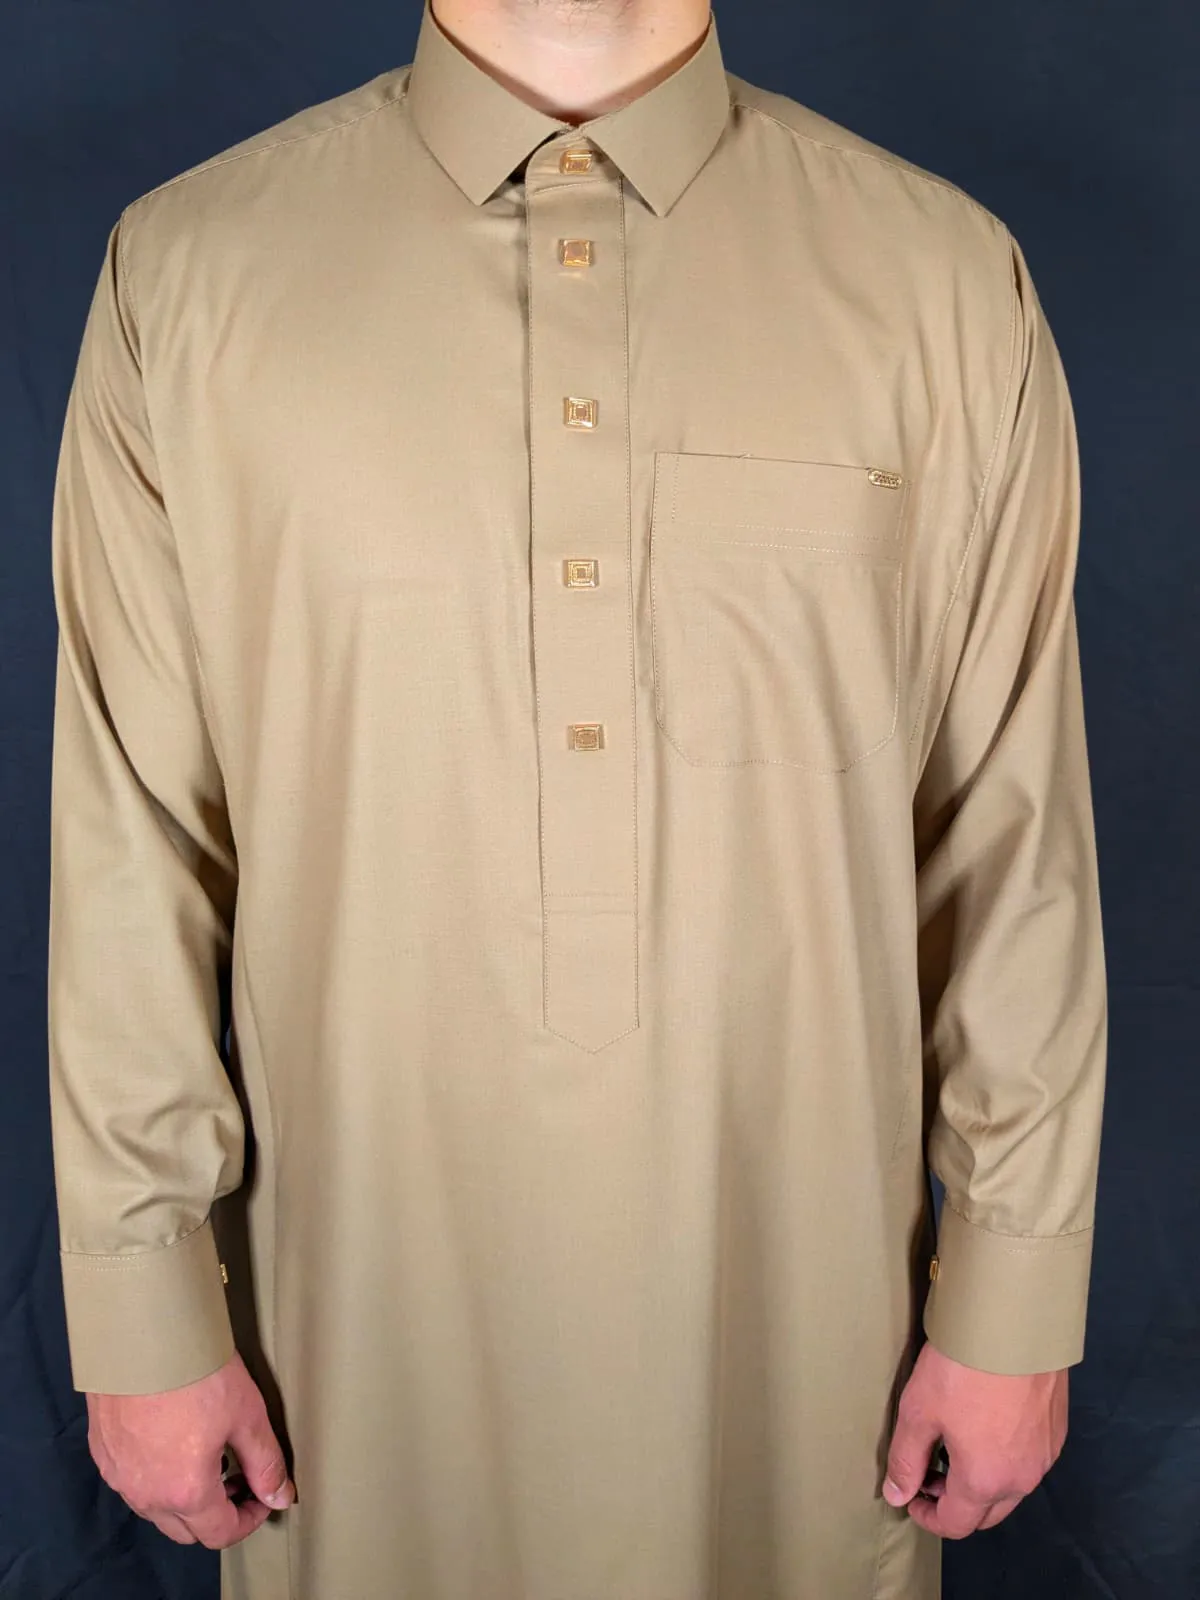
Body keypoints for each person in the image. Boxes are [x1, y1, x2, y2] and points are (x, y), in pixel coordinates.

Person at [46, 0, 1108, 1595]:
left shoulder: (945, 283)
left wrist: (1016, 1289)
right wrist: (141, 1301)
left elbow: (1011, 837)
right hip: (349, 1360)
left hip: (810, 1366)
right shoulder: (187, 277)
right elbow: (133, 841)